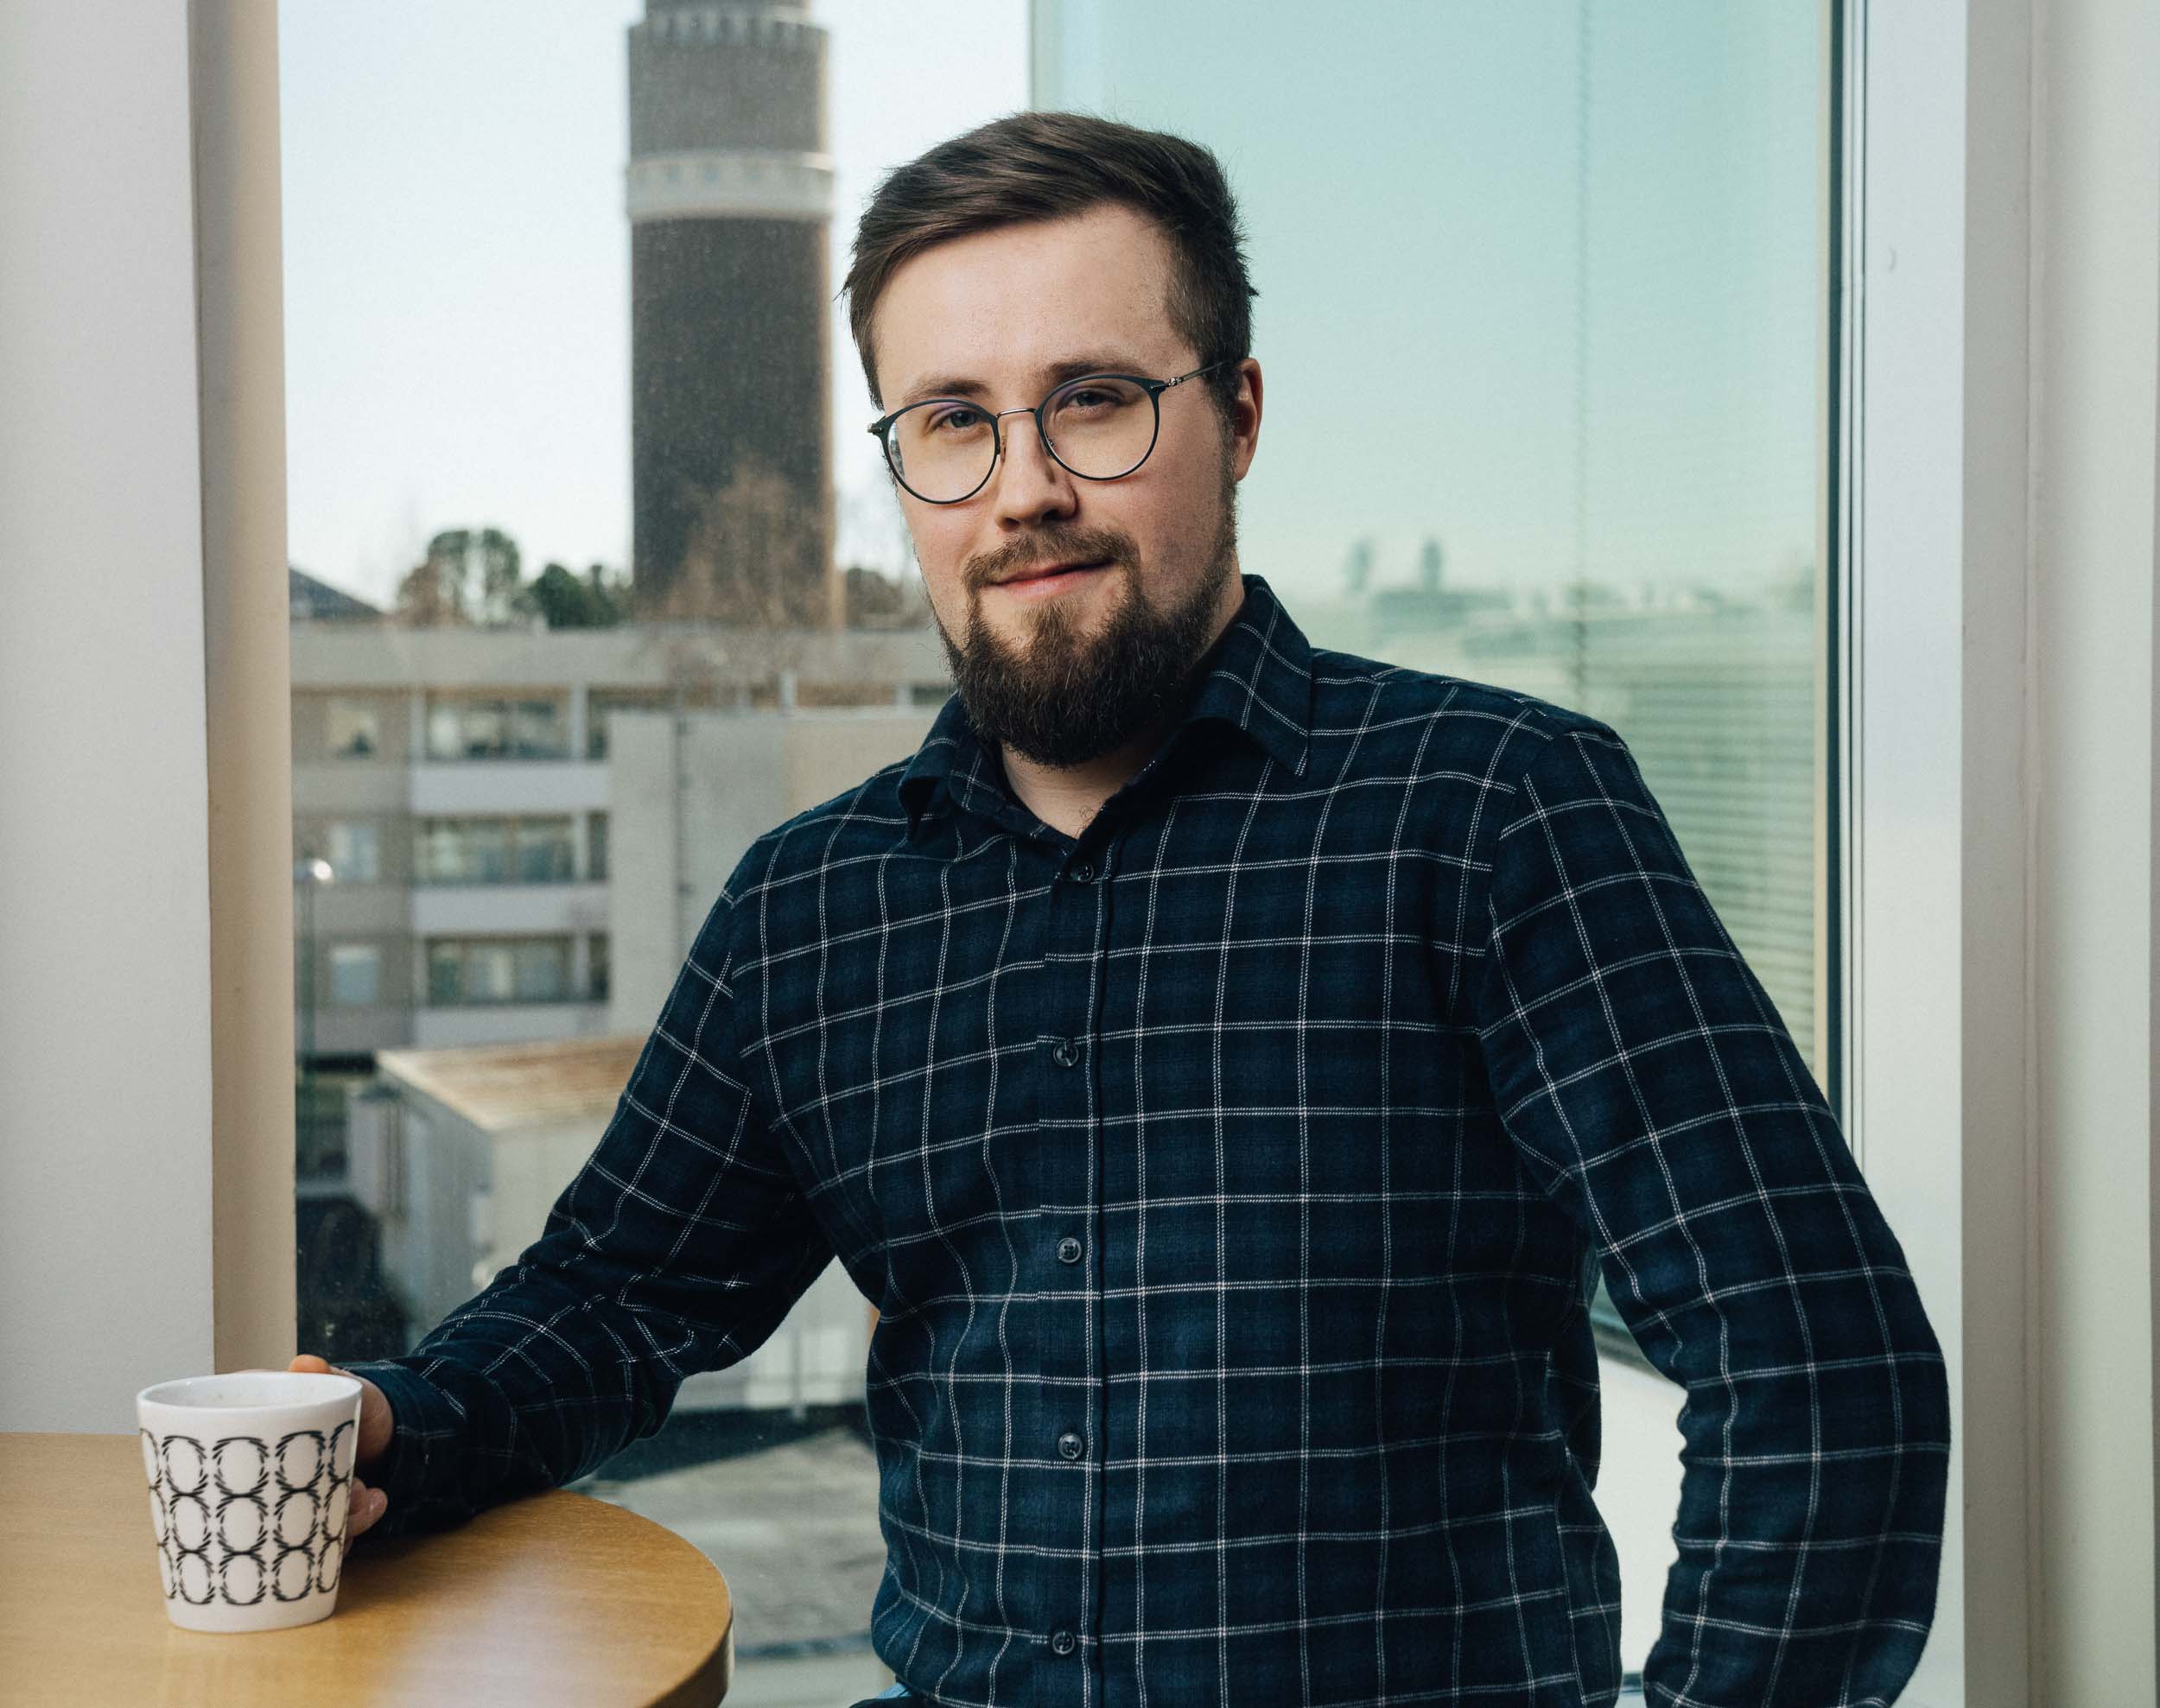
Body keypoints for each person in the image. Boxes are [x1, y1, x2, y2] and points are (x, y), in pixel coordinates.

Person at [303, 111, 1950, 1706]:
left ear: (1239, 414)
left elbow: (1818, 1363)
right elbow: (612, 1295)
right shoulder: (811, 909)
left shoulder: (1495, 811)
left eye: (1093, 401)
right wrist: (394, 1423)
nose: (1023, 487)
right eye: (954, 421)